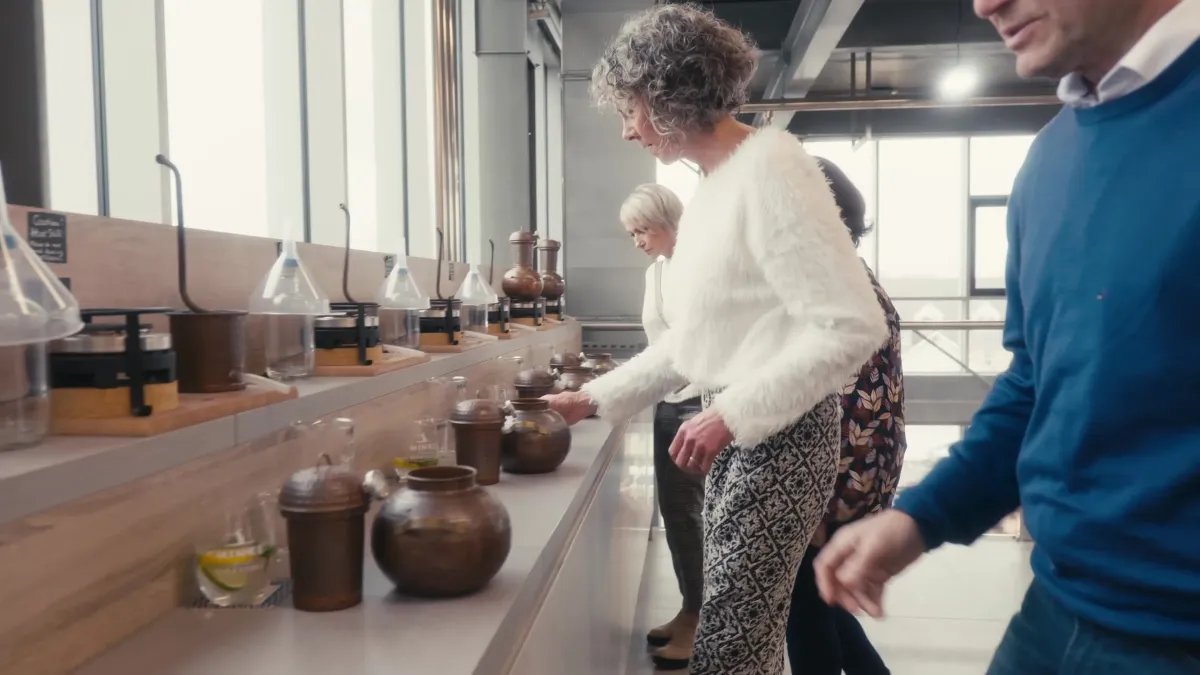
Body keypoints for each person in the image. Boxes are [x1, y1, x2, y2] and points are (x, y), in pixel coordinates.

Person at [815, 0, 1200, 673]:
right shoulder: (1051, 156)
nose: (984, 4)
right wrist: (921, 517)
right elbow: (1034, 383)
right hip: (1052, 613)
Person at [546, 5, 890, 674]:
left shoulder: (771, 168)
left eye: (631, 107)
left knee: (733, 646)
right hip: (744, 432)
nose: (626, 130)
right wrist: (591, 398)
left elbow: (851, 324)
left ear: (670, 93)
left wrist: (730, 412)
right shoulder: (713, 189)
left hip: (782, 440)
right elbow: (690, 345)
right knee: (743, 644)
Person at [785, 158, 904, 675]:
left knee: (806, 607)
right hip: (863, 464)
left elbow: (842, 396)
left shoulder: (830, 284)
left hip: (840, 469)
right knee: (821, 600)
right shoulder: (850, 273)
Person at [619, 183, 706, 670]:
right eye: (631, 233)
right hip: (667, 403)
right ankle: (690, 607)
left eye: (643, 229)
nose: (637, 240)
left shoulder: (699, 265)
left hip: (701, 403)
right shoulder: (654, 273)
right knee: (676, 513)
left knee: (696, 516)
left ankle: (700, 618)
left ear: (669, 221)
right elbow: (659, 345)